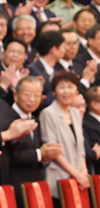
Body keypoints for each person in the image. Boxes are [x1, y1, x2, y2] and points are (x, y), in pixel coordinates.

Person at [41, 70, 90, 200]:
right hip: (59, 178)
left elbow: (81, 147)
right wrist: (76, 174)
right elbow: (54, 151)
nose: (66, 91)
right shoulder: (48, 113)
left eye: (70, 87)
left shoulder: (76, 113)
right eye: (61, 87)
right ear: (54, 91)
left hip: (79, 178)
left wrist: (84, 171)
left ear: (77, 91)